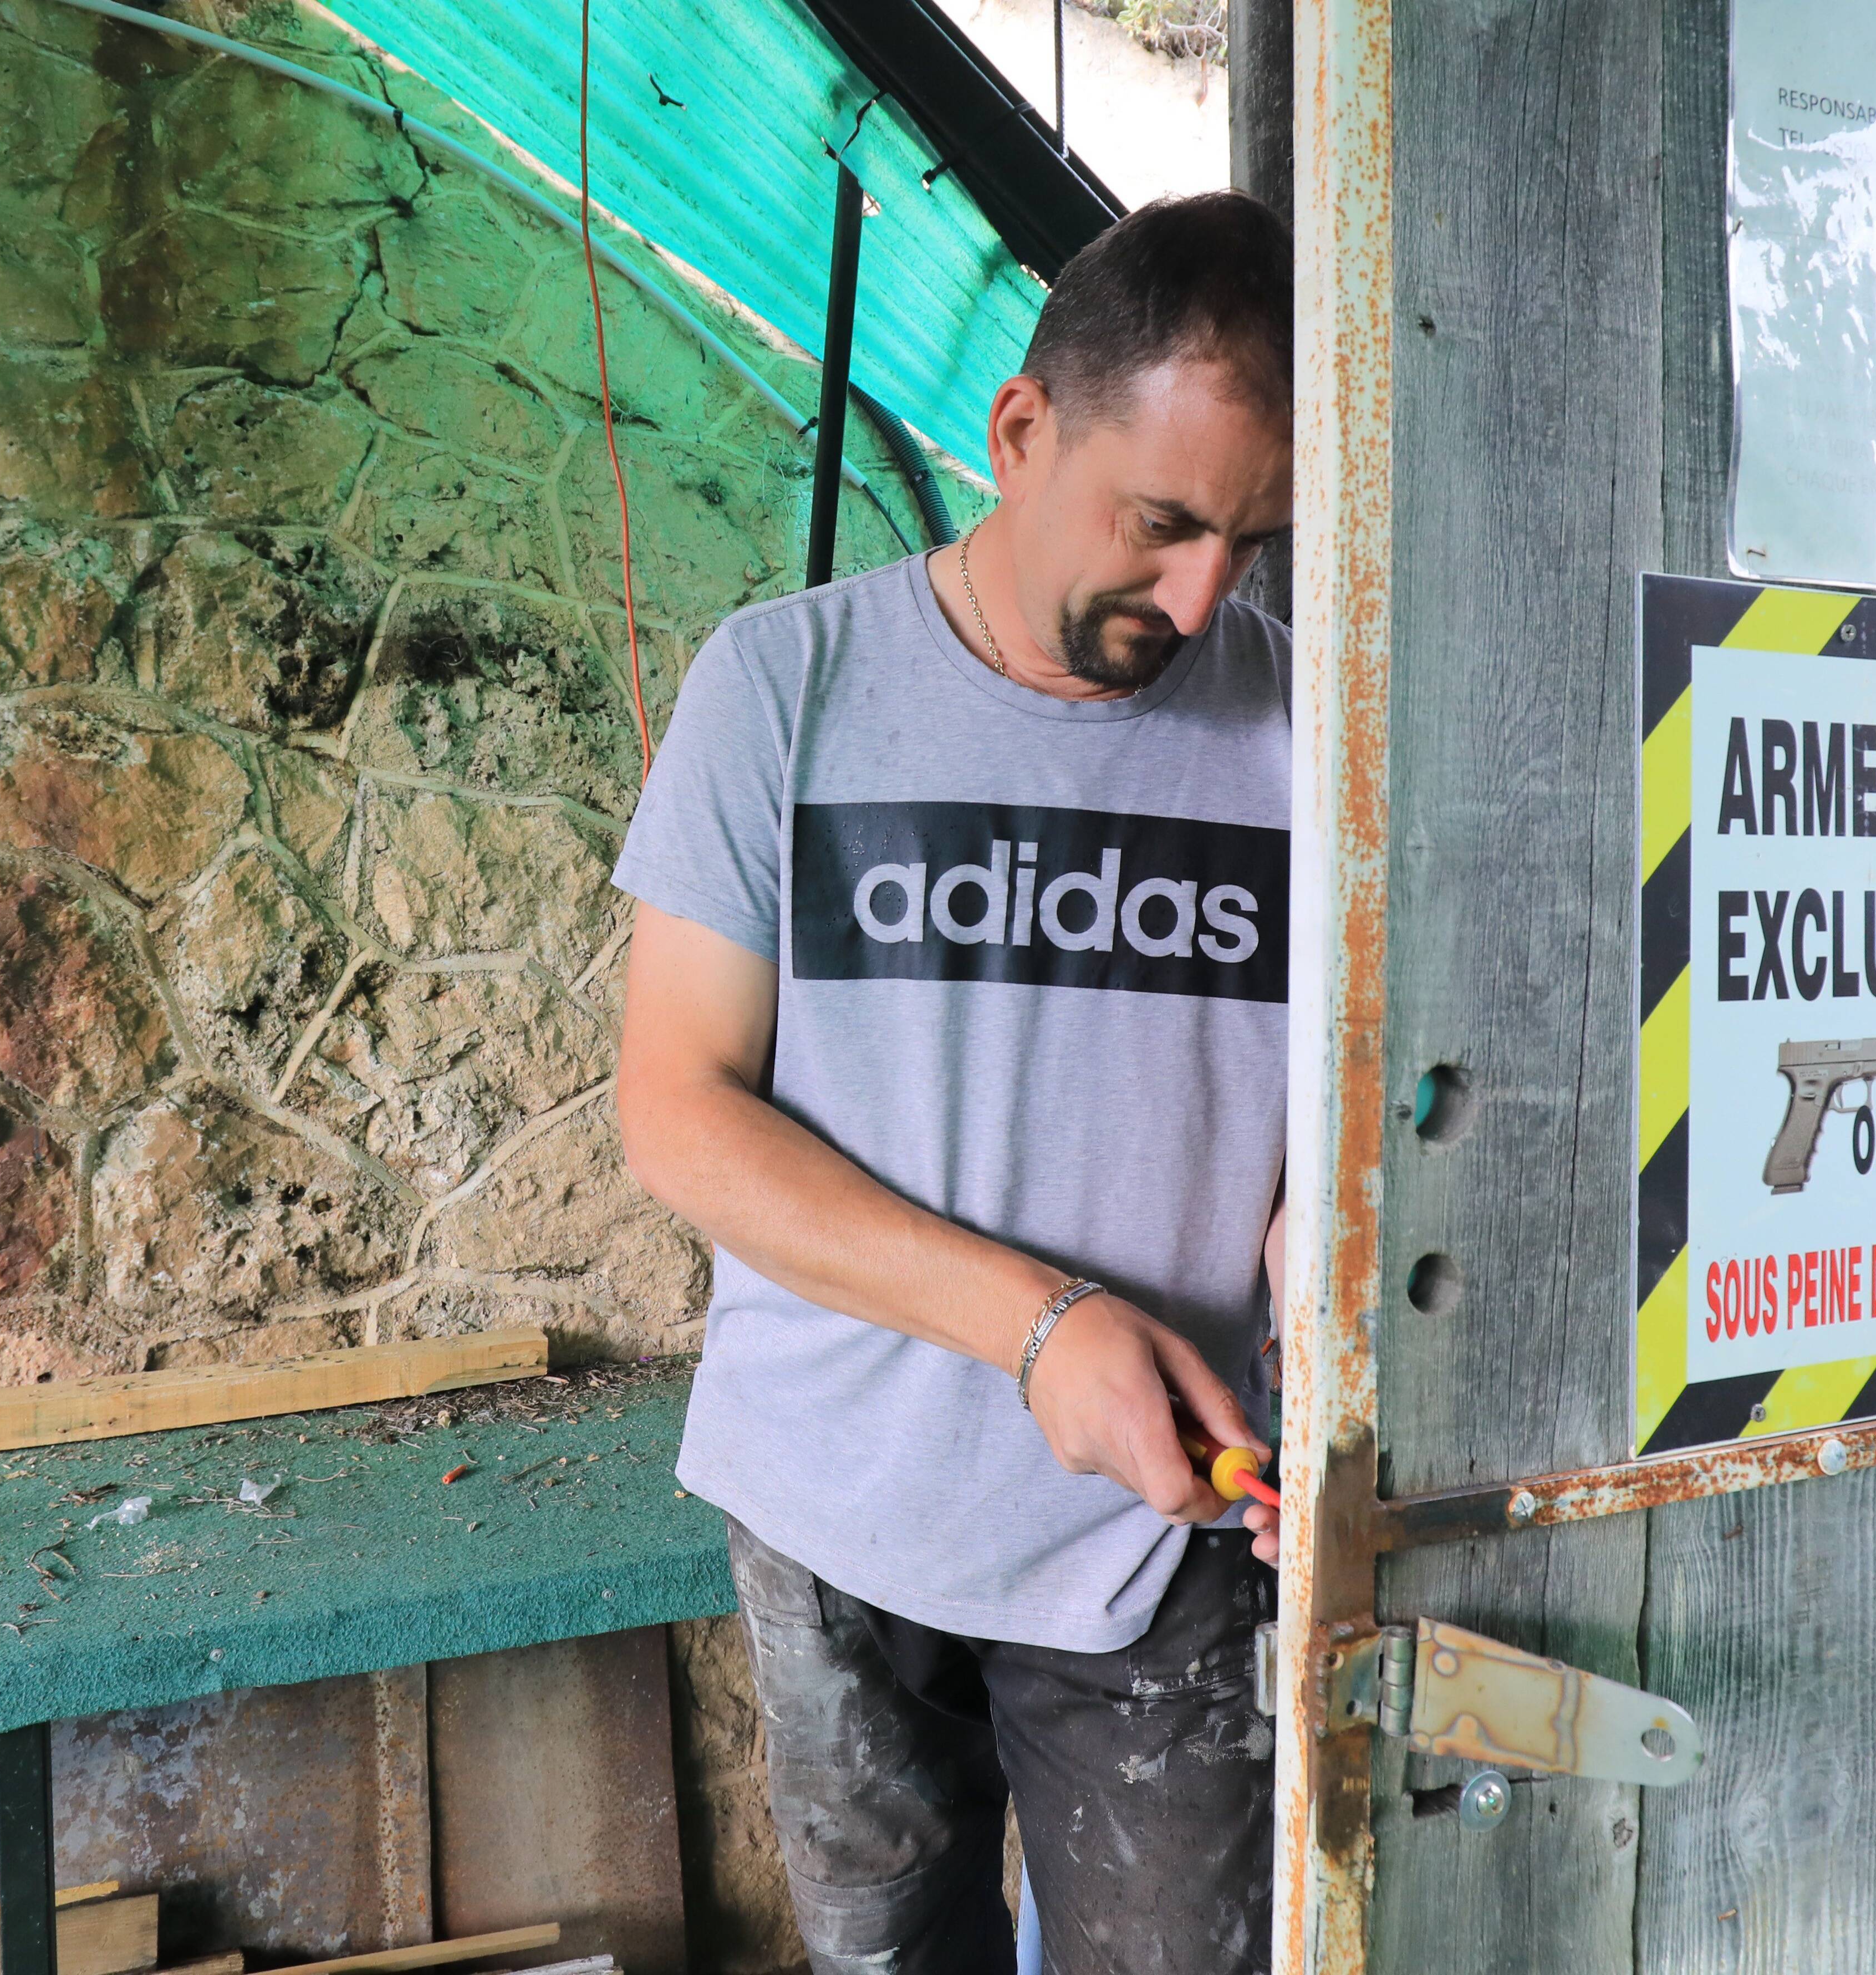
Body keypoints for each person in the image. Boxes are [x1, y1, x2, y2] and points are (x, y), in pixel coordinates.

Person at [611, 190, 1294, 1975]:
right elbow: (678, 1104)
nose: (1202, 595)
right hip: (838, 1508)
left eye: (1250, 539)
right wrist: (1034, 1318)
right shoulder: (782, 685)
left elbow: (1346, 1101)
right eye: (1159, 522)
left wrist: (1329, 1226)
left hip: (1166, 1531)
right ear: (1018, 430)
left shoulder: (1316, 731)